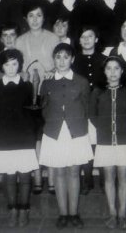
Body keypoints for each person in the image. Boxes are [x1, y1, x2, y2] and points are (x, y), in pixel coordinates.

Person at [39, 43, 93, 229]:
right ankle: (63, 214)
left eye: (65, 57)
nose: (62, 61)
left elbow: (87, 107)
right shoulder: (46, 82)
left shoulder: (82, 82)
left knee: (74, 172)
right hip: (54, 132)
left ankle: (74, 213)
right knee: (59, 173)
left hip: (75, 132)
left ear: (72, 59)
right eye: (58, 57)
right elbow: (43, 107)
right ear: (53, 59)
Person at [15, 0, 59, 194]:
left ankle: (51, 177)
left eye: (39, 15)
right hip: (28, 95)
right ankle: (37, 176)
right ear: (26, 18)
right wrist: (22, 73)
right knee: (34, 137)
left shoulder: (53, 38)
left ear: (44, 17)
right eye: (31, 15)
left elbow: (59, 64)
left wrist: (52, 71)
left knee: (49, 135)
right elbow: (17, 67)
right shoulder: (20, 40)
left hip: (49, 93)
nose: (35, 19)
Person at [90, 56, 126, 230]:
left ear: (122, 71)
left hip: (125, 140)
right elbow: (92, 114)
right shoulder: (97, 91)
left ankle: (123, 214)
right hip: (105, 141)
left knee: (124, 178)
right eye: (108, 68)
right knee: (108, 178)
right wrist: (104, 128)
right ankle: (112, 213)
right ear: (104, 71)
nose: (112, 72)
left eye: (116, 68)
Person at [0, 49, 38, 228]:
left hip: (24, 136)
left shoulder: (27, 86)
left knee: (25, 175)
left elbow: (33, 112)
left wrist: (32, 133)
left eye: (14, 64)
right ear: (1, 67)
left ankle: (24, 209)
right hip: (5, 136)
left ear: (19, 65)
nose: (11, 68)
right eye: (6, 64)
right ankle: (12, 209)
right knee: (9, 175)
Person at [72, 25, 106, 194]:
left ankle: (101, 177)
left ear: (96, 39)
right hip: (80, 106)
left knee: (97, 141)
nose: (86, 40)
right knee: (83, 140)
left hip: (100, 106)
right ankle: (86, 179)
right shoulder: (74, 60)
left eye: (90, 36)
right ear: (79, 40)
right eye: (83, 37)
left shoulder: (104, 59)